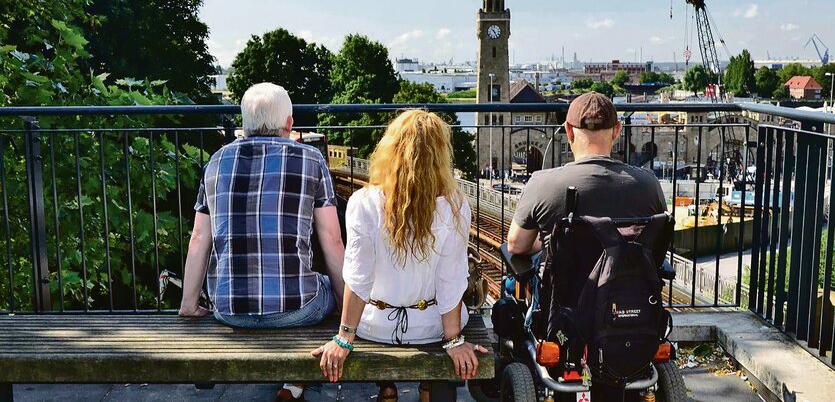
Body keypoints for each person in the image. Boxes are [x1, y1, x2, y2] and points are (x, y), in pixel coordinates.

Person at [179, 82, 345, 402]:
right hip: (295, 308)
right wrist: (341, 305)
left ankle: (295, 384)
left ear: (244, 124)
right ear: (290, 123)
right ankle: (298, 383)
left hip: (228, 309)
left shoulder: (216, 161)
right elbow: (332, 240)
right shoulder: (311, 159)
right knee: (323, 285)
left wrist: (189, 305)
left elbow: (199, 239)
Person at [311, 110, 488, 401]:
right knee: (457, 309)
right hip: (430, 326)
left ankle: (388, 388)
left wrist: (344, 338)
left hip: (374, 326)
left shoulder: (363, 202)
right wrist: (454, 341)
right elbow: (451, 280)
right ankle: (427, 387)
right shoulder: (454, 205)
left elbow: (359, 278)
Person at [507, 92, 666, 402]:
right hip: (627, 307)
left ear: (568, 132)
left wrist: (548, 239)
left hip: (567, 313)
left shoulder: (544, 183)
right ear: (617, 131)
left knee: (517, 278)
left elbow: (517, 244)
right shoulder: (648, 185)